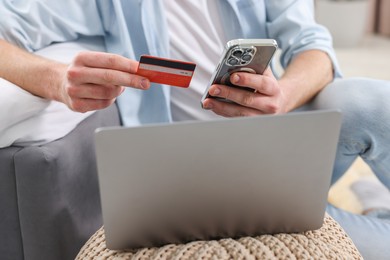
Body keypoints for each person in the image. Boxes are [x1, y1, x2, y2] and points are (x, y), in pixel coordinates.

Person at [0, 0, 389, 259]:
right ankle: (362, 208)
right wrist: (54, 79)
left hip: (274, 142)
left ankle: (351, 204)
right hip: (193, 175)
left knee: (362, 100)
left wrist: (282, 97)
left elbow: (315, 49)